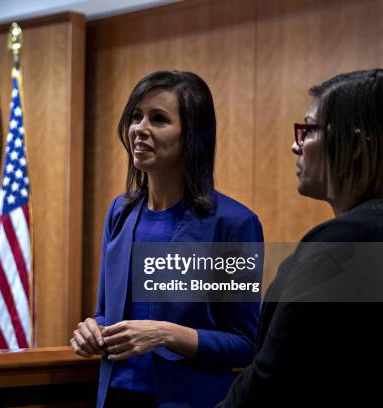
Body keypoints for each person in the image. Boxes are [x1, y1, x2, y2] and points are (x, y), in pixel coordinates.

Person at [71, 71, 263, 407]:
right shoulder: (120, 212)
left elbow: (246, 344)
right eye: (136, 116)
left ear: (192, 136)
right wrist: (91, 330)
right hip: (115, 396)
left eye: (158, 119)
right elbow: (107, 314)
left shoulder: (234, 224)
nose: (139, 129)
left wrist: (165, 335)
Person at [218, 69, 383, 407]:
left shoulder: (345, 241)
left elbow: (272, 379)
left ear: (353, 144)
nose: (296, 145)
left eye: (308, 130)